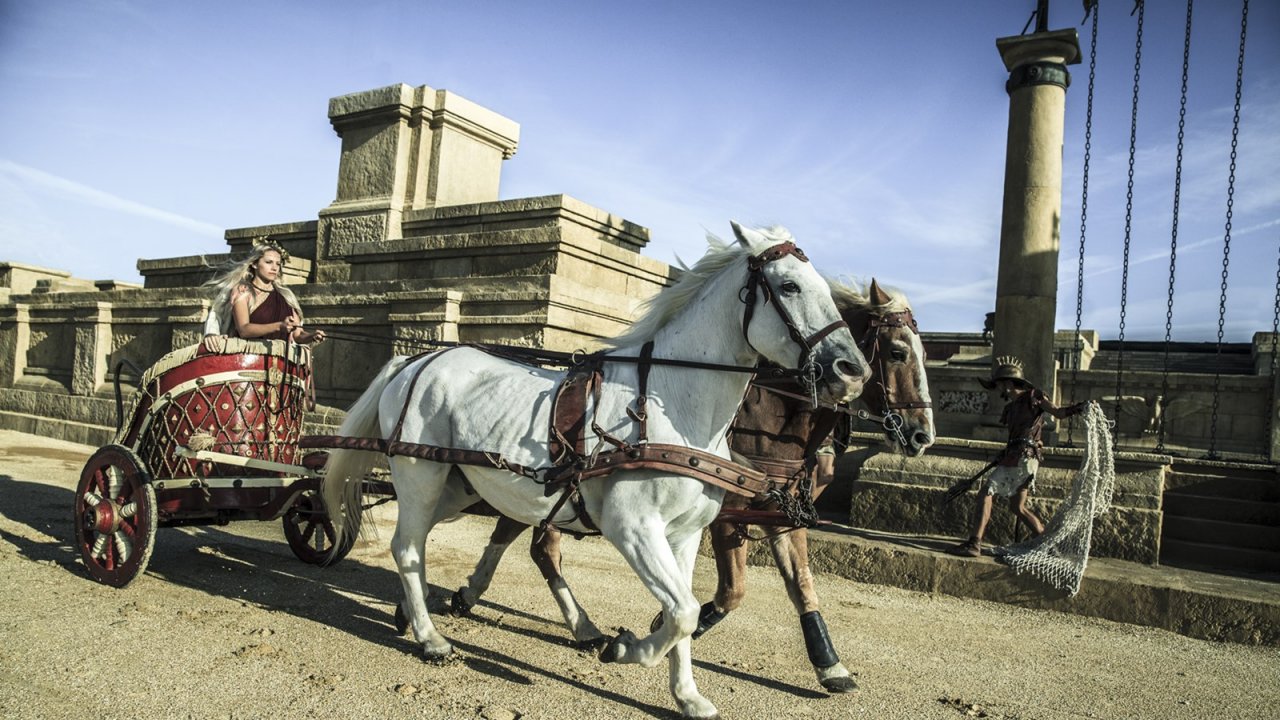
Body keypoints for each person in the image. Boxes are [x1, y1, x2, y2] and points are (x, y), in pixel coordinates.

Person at [945, 355, 1083, 558]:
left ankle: (974, 543)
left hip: (1023, 457)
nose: (998, 390)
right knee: (1017, 507)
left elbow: (1058, 413)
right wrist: (1005, 453)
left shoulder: (1033, 396)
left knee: (986, 492)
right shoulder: (1011, 408)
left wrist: (1079, 408)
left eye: (999, 385)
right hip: (1018, 456)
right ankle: (1049, 546)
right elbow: (1017, 437)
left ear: (1008, 383)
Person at [202, 241, 325, 345]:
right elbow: (244, 329)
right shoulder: (243, 291)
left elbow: (297, 334)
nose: (274, 268)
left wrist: (312, 336)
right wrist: (279, 326)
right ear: (254, 264)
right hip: (248, 359)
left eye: (278, 264)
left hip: (280, 363)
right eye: (268, 262)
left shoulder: (285, 295)